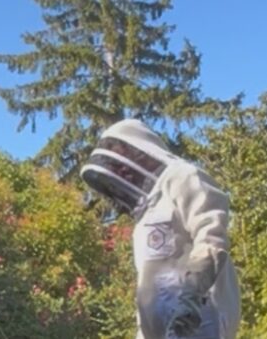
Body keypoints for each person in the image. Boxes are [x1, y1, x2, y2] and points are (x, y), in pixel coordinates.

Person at [80, 118, 241, 339]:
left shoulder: (183, 177)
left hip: (200, 319)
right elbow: (148, 286)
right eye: (116, 168)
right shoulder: (146, 214)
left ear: (140, 152)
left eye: (122, 164)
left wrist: (193, 295)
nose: (122, 172)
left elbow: (211, 237)